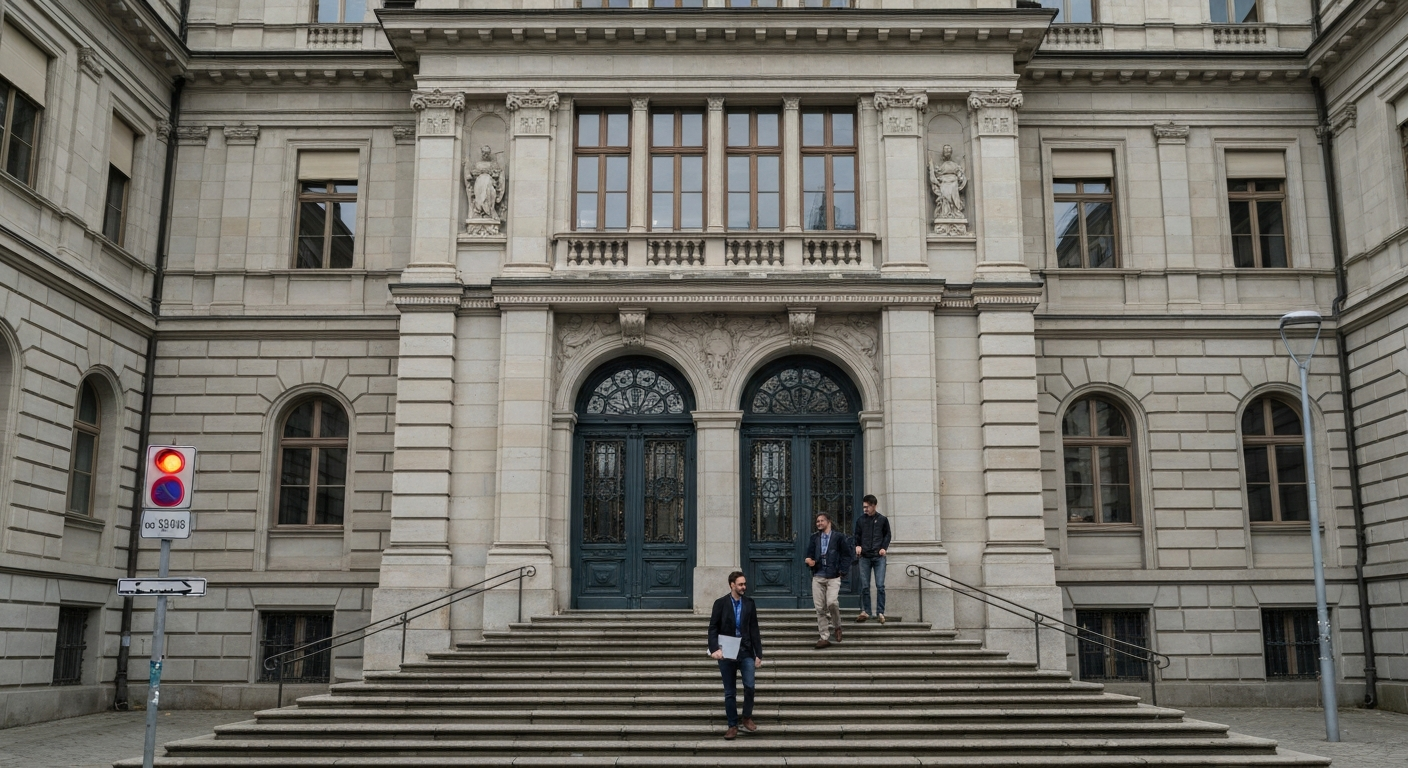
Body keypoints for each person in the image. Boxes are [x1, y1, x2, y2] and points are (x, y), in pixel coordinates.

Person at [708, 571, 763, 740]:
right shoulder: (720, 603)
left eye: (744, 584)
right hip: (727, 653)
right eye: (740, 584)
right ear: (732, 585)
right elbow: (713, 628)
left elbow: (754, 628)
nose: (744, 587)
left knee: (750, 686)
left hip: (746, 651)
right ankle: (732, 725)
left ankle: (746, 717)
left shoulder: (749, 603)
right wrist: (714, 648)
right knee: (730, 691)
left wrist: (758, 653)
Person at [804, 512, 853, 649]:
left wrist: (842, 571)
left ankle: (837, 626)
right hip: (818, 576)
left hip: (833, 576)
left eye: (821, 521)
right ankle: (824, 636)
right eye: (817, 521)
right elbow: (808, 555)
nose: (819, 523)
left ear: (829, 521)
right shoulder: (814, 538)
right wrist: (809, 560)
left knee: (831, 602)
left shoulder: (839, 537)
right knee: (820, 608)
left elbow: (847, 556)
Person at [853, 494, 892, 624]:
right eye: (864, 507)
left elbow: (887, 535)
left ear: (874, 505)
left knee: (880, 585)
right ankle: (866, 611)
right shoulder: (860, 520)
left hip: (878, 556)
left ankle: (880, 612)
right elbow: (856, 535)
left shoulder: (882, 520)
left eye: (867, 507)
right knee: (865, 586)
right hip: (864, 557)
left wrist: (883, 548)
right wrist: (857, 546)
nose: (865, 509)